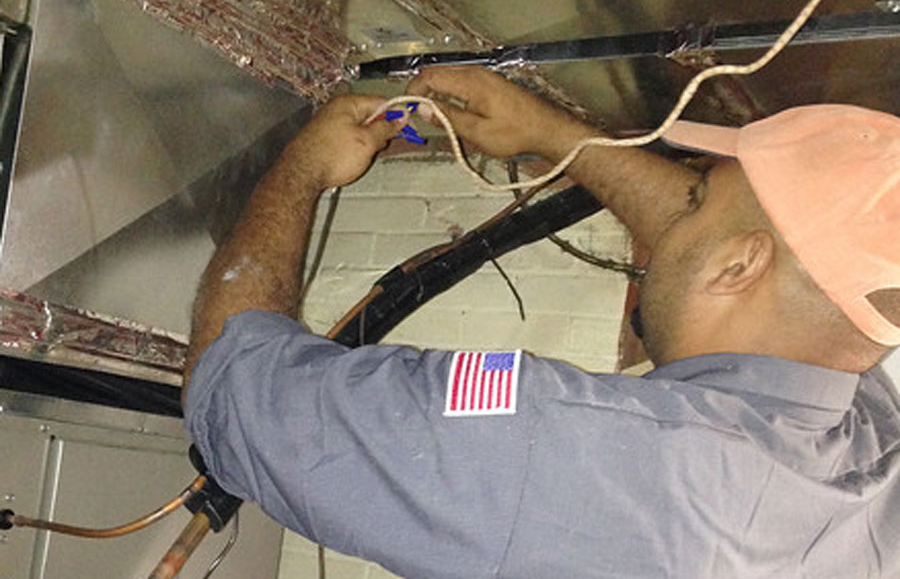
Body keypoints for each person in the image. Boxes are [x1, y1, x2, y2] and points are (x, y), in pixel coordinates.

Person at [182, 67, 900, 578]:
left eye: (694, 199)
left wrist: (302, 166)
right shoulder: (866, 428)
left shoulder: (602, 460)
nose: (678, 201)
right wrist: (551, 135)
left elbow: (237, 393)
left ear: (739, 269)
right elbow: (717, 246)